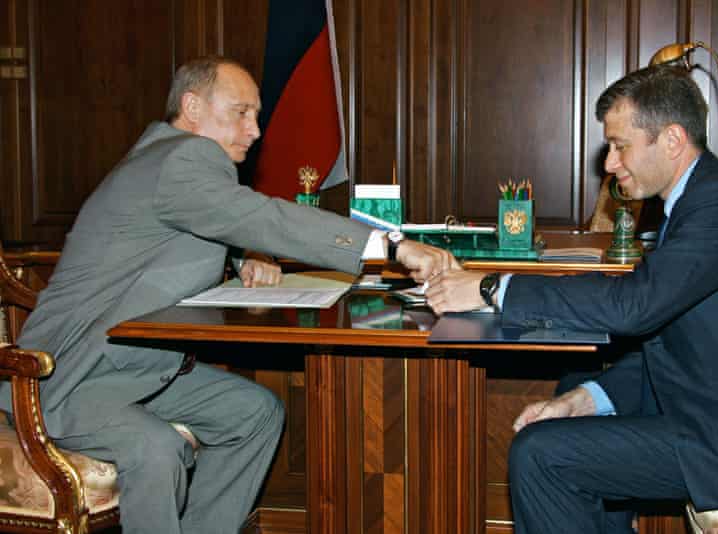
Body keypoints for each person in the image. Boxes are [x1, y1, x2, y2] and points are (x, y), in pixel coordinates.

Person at [0, 56, 457, 534]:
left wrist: (241, 258)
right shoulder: (185, 157)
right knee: (157, 449)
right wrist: (391, 246)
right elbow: (261, 216)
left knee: (254, 414)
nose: (255, 130)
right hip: (64, 379)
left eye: (255, 115)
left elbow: (182, 227)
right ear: (193, 106)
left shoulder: (162, 161)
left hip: (131, 368)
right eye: (241, 112)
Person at [425, 65, 718, 533]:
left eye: (620, 145)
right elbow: (668, 339)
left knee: (542, 457)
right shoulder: (701, 199)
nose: (608, 163)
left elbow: (635, 306)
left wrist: (492, 286)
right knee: (563, 412)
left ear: (671, 140)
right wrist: (586, 399)